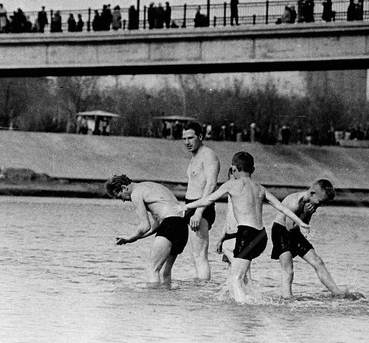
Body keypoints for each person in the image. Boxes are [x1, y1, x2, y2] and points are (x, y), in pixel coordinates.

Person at [183, 152, 309, 303]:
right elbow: (282, 208)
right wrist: (301, 222)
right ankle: (243, 301)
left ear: (233, 169)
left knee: (236, 278)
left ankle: (245, 309)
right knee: (236, 275)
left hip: (247, 235)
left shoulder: (232, 184)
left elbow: (206, 200)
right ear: (253, 170)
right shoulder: (260, 188)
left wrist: (184, 206)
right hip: (261, 237)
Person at [271, 180, 354, 299]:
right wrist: (305, 213)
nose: (321, 205)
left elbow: (304, 224)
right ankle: (287, 297)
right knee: (288, 269)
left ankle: (337, 292)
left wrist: (307, 214)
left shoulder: (311, 203)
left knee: (318, 262)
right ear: (312, 193)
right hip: (281, 231)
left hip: (295, 231)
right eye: (320, 202)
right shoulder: (295, 203)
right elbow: (290, 228)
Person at [105, 174, 188, 288]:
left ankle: (151, 302)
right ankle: (167, 303)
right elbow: (156, 225)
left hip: (170, 224)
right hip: (182, 226)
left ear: (124, 188)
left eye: (120, 196)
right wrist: (135, 238)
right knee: (165, 272)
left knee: (152, 269)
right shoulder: (150, 186)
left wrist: (129, 238)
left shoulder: (136, 193)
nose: (123, 200)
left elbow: (145, 226)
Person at [182, 122, 220, 282]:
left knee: (200, 255)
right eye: (184, 138)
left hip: (202, 207)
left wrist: (198, 212)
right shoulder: (195, 157)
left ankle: (202, 291)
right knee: (195, 254)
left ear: (201, 137)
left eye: (191, 138)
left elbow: (211, 184)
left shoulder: (208, 155)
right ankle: (199, 291)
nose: (187, 142)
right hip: (191, 205)